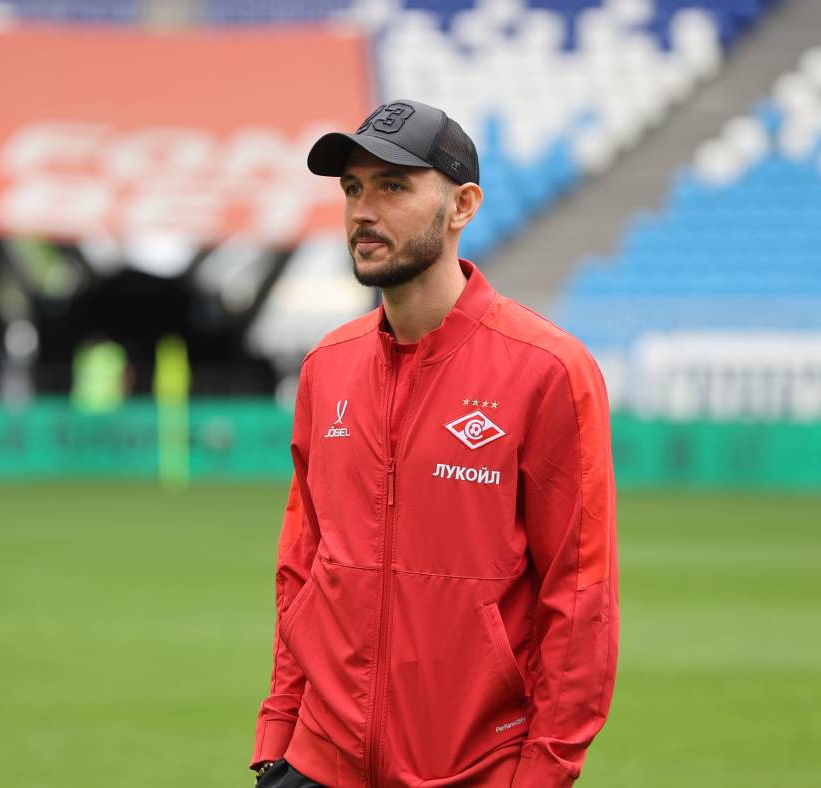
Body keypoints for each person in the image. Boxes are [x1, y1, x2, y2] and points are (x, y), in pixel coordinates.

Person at [250, 100, 618, 787]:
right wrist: (278, 735)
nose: (363, 212)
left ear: (462, 206)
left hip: (473, 770)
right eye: (352, 188)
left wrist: (542, 774)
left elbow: (579, 598)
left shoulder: (547, 369)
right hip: (316, 762)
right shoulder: (327, 365)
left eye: (393, 186)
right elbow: (302, 570)